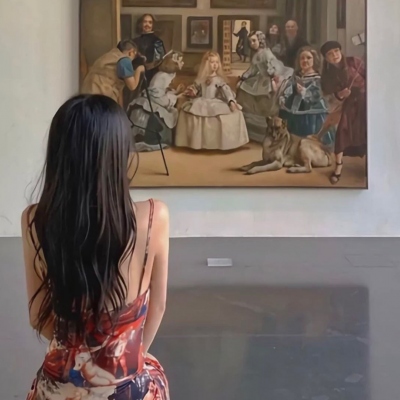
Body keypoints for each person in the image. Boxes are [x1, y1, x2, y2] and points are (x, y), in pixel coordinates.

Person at [23, 94, 170, 399]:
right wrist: (129, 358)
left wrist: (79, 351)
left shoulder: (34, 220)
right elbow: (158, 306)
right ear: (118, 154)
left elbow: (38, 316)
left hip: (58, 387)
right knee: (152, 373)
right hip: (126, 386)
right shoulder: (154, 216)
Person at [175, 51, 249, 150]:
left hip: (214, 102)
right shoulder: (201, 79)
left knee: (231, 114)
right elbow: (196, 88)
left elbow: (226, 90)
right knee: (189, 112)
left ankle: (221, 144)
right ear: (206, 64)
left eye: (217, 62)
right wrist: (191, 91)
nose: (215, 65)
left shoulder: (219, 79)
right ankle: (198, 143)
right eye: (212, 62)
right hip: (202, 101)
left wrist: (231, 101)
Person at [319, 40, 367, 184]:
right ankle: (338, 167)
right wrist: (340, 94)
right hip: (348, 105)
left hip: (365, 102)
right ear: (326, 58)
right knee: (342, 133)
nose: (335, 55)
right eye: (330, 54)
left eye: (336, 51)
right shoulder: (327, 75)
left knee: (368, 133)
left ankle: (369, 165)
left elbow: (372, 78)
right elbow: (329, 97)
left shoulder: (355, 62)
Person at [236, 30, 293, 142]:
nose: (252, 43)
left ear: (260, 40)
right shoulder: (256, 55)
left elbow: (274, 66)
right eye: (250, 41)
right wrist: (244, 77)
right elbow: (253, 70)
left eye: (254, 40)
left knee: (265, 100)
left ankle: (266, 126)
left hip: (269, 79)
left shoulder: (266, 53)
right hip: (261, 78)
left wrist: (273, 74)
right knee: (243, 87)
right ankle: (251, 125)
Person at [128, 51, 186, 152]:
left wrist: (176, 92)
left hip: (156, 98)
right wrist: (176, 97)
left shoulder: (168, 74)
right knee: (170, 113)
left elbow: (162, 91)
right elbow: (157, 95)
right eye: (181, 61)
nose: (183, 63)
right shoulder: (162, 76)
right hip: (152, 101)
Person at [279, 46, 335, 146]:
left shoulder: (317, 78)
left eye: (308, 58)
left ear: (314, 60)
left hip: (312, 111)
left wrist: (304, 92)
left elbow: (317, 95)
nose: (305, 60)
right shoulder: (296, 76)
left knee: (311, 137)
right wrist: (285, 96)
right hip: (293, 109)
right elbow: (288, 89)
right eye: (302, 58)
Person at [81, 40, 145, 104]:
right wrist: (139, 70)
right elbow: (132, 86)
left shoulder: (110, 55)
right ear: (131, 52)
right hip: (101, 95)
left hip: (86, 91)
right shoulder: (125, 60)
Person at [133, 14, 166, 83]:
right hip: (136, 73)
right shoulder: (134, 41)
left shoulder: (157, 41)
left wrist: (146, 67)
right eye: (145, 22)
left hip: (152, 74)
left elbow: (159, 60)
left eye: (150, 22)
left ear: (153, 25)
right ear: (141, 24)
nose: (147, 24)